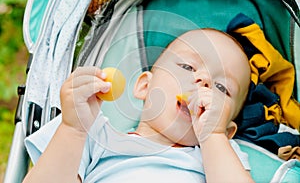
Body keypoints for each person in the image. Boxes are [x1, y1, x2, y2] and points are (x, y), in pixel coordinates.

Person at [23, 28, 254, 183]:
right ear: (144, 86)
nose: (203, 81)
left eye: (221, 88)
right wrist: (72, 129)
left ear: (228, 131)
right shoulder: (93, 135)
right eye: (187, 67)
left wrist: (213, 137)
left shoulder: (218, 158)